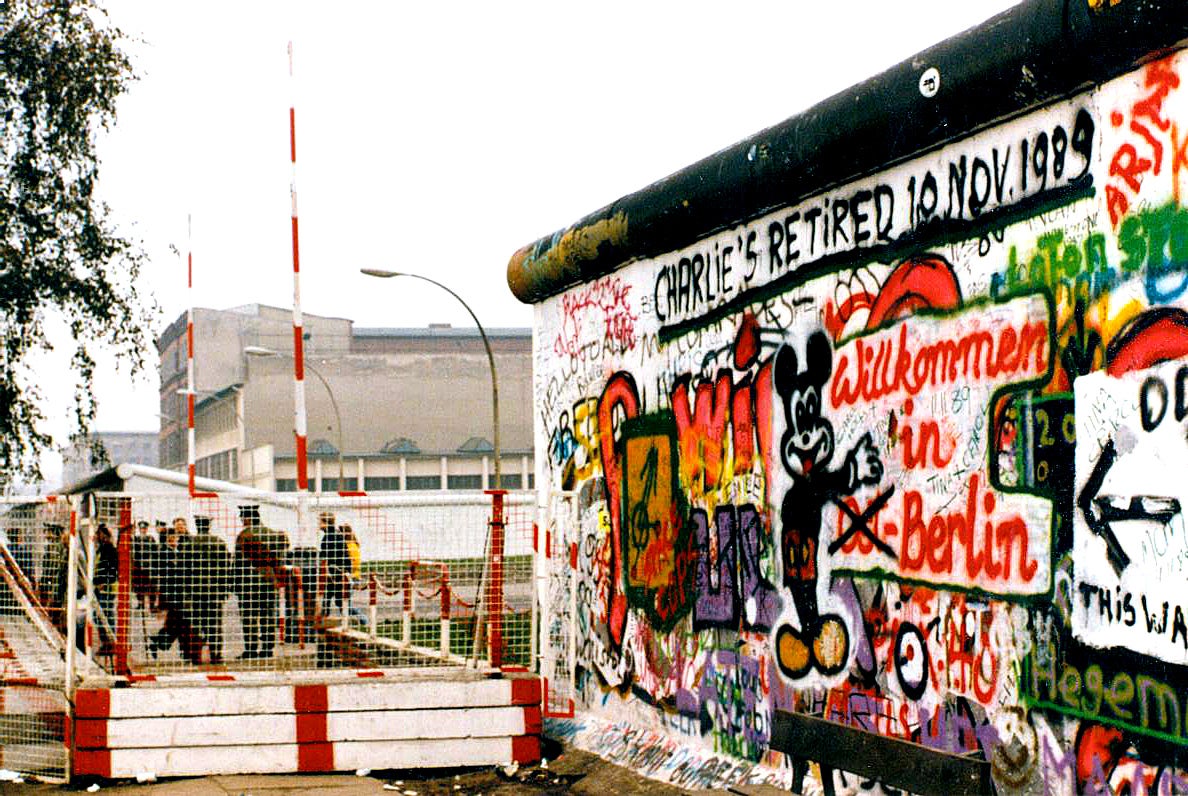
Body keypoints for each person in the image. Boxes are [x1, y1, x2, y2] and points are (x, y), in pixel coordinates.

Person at [233, 505, 289, 659]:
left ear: (248, 518)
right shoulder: (273, 534)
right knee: (268, 615)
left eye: (243, 518)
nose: (242, 521)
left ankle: (251, 649)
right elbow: (279, 560)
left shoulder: (243, 536)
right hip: (269, 579)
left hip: (248, 581)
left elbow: (238, 562)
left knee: (249, 616)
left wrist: (235, 583)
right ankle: (267, 648)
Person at [148, 518, 199, 663]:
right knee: (181, 621)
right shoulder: (163, 552)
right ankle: (164, 644)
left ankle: (160, 642)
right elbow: (160, 573)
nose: (173, 540)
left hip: (183, 592)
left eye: (175, 537)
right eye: (171, 538)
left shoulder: (184, 548)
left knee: (179, 622)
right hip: (171, 592)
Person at [185, 515, 231, 664]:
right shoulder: (219, 543)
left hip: (195, 590)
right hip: (214, 590)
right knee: (215, 623)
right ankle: (216, 654)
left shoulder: (189, 544)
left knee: (196, 623)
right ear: (208, 526)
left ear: (197, 526)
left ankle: (195, 655)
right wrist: (225, 590)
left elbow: (183, 569)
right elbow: (225, 569)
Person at [318, 513, 349, 620]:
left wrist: (327, 571)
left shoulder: (328, 537)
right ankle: (347, 621)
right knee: (337, 600)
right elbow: (345, 553)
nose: (318, 524)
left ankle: (351, 621)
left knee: (329, 599)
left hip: (333, 573)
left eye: (320, 521)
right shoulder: (337, 534)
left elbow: (326, 557)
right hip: (340, 571)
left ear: (325, 523)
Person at [92, 523, 118, 650]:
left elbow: (113, 570)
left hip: (107, 586)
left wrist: (105, 582)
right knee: (98, 616)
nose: (99, 536)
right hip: (98, 586)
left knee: (106, 614)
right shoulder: (100, 549)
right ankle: (106, 642)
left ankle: (111, 641)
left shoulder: (111, 550)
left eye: (101, 534)